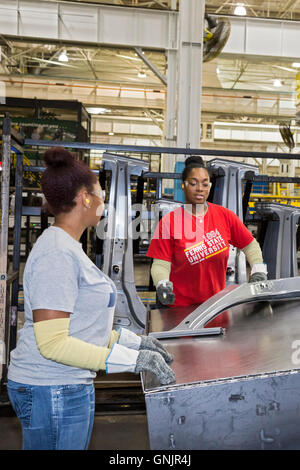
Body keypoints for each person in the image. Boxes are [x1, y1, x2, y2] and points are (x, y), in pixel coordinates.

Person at [7, 146, 175, 450]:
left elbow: (82, 329)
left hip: (64, 384)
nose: (104, 202)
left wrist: (137, 343)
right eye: (100, 194)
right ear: (85, 197)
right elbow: (54, 344)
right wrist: (131, 361)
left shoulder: (68, 247)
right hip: (52, 387)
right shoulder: (56, 254)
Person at [147, 156, 268, 308]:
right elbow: (161, 264)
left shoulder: (225, 216)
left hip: (213, 307)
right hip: (178, 308)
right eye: (193, 183)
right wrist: (162, 283)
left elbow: (250, 245)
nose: (200, 189)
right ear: (183, 185)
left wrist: (258, 270)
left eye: (205, 184)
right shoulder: (169, 222)